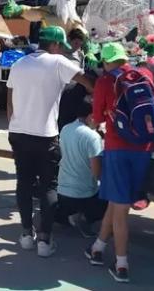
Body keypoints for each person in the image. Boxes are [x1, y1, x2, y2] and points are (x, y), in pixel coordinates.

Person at [7, 26, 93, 258]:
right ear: (54, 45)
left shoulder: (19, 64)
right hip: (45, 135)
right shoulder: (58, 63)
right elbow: (88, 82)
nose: (63, 52)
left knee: (24, 183)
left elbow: (10, 102)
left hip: (18, 133)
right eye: (61, 47)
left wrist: (15, 126)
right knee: (48, 186)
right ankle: (44, 239)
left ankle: (26, 235)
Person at [86, 42, 154, 283]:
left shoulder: (105, 82)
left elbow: (96, 118)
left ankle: (121, 265)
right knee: (117, 204)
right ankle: (97, 248)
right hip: (144, 149)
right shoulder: (144, 75)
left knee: (120, 211)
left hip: (117, 149)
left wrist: (93, 122)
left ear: (105, 62)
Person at [56, 101, 107, 239]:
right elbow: (97, 173)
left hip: (62, 192)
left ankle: (69, 216)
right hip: (83, 195)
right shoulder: (93, 137)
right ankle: (85, 219)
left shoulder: (65, 129)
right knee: (109, 194)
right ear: (91, 116)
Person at [58, 28, 90, 130]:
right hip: (61, 92)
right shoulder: (59, 52)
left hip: (74, 92)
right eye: (76, 43)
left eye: (80, 44)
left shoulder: (80, 54)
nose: (77, 46)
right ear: (68, 40)